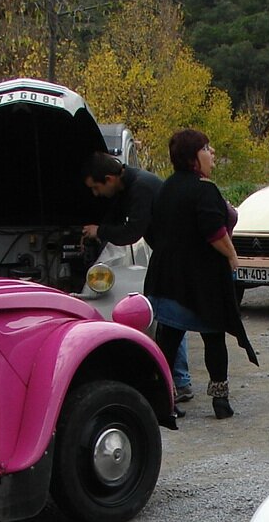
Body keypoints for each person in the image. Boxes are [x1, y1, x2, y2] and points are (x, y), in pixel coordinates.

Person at [143, 129, 258, 419]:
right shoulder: (204, 189)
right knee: (213, 337)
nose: (212, 153)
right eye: (206, 148)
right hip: (201, 280)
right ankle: (220, 401)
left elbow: (151, 231)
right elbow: (214, 231)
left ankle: (161, 400)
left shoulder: (165, 188)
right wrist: (232, 255)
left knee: (168, 336)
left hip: (167, 277)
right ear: (194, 157)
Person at [81, 152, 193, 401]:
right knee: (168, 313)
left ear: (109, 179)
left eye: (96, 188)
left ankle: (179, 381)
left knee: (169, 314)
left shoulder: (141, 187)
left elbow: (132, 232)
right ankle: (177, 378)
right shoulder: (128, 184)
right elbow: (117, 214)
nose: (95, 194)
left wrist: (100, 231)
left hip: (176, 255)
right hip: (168, 252)